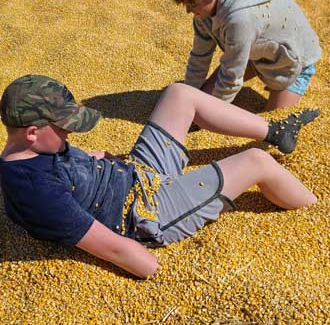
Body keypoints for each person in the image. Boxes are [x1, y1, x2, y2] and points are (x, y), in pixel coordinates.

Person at [0, 75, 319, 278]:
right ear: (31, 132)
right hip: (146, 211)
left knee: (180, 94)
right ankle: (315, 213)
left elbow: (70, 168)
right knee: (255, 161)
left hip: (135, 174)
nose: (70, 133)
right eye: (65, 127)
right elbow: (112, 248)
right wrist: (156, 274)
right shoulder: (37, 192)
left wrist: (94, 159)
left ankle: (275, 131)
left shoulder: (39, 148)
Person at [170, 0, 322, 111]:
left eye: (192, 4)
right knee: (200, 99)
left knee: (275, 125)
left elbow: (231, 79)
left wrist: (209, 113)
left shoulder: (239, 19)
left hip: (292, 62)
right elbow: (199, 57)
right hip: (256, 51)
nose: (188, 11)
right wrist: (188, 95)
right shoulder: (202, 13)